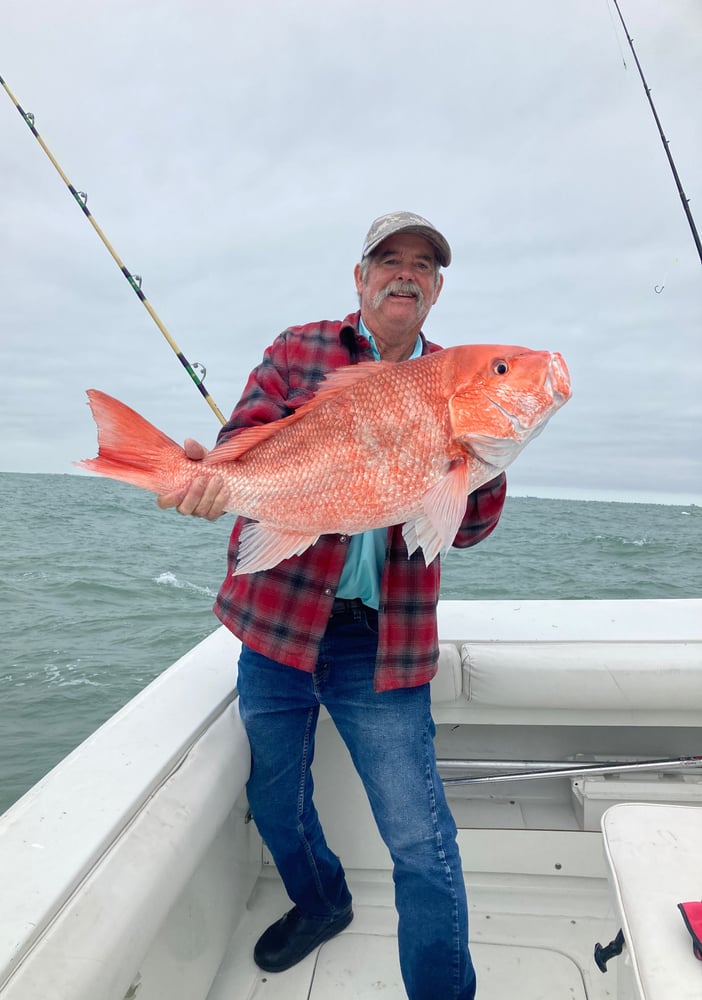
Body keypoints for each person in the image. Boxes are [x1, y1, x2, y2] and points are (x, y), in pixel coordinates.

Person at [158, 211, 507, 1000]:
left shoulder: (459, 379)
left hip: (382, 643)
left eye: (422, 265)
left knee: (419, 839)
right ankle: (322, 904)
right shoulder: (299, 350)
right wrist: (209, 478)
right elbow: (241, 440)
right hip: (276, 625)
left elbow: (473, 528)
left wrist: (473, 459)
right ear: (361, 277)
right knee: (276, 802)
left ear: (438, 290)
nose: (404, 274)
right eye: (389, 261)